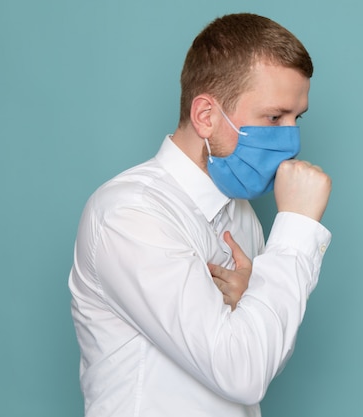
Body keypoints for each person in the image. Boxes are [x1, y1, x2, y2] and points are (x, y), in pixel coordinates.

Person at [68, 12, 332, 417]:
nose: (290, 139)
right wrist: (296, 229)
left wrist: (255, 296)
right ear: (206, 115)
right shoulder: (130, 215)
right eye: (275, 117)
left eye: (298, 118)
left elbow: (266, 349)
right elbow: (242, 373)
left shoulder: (241, 215)